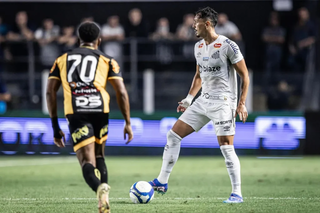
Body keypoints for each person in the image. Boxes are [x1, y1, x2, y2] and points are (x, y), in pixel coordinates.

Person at [149, 7, 250, 204]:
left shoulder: (228, 46)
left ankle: (237, 193)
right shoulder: (198, 47)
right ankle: (162, 181)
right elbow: (199, 75)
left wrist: (242, 104)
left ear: (207, 23)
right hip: (203, 100)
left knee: (227, 147)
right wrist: (189, 99)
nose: (193, 25)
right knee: (173, 135)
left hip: (223, 102)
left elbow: (244, 75)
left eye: (196, 22)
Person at [46, 21, 133, 213]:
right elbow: (121, 92)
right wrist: (127, 122)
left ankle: (99, 188)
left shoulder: (61, 60)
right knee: (100, 154)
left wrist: (55, 126)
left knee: (86, 160)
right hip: (100, 108)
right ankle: (104, 200)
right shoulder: (108, 60)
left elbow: (51, 92)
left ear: (78, 40)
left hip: (76, 110)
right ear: (99, 41)